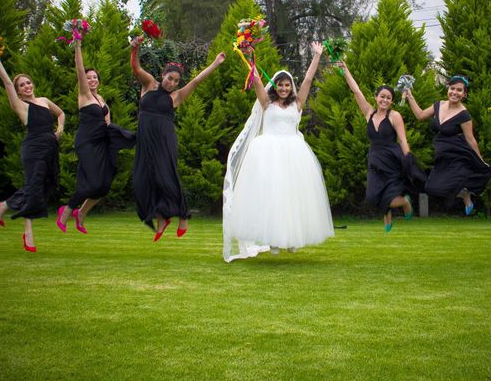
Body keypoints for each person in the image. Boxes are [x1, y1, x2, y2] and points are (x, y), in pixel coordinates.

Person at [223, 42, 334, 262]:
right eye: (280, 85)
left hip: (293, 153)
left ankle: (292, 238)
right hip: (268, 153)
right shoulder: (266, 103)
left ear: (291, 87)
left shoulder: (298, 104)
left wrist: (316, 57)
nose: (284, 89)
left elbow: (309, 80)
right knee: (271, 195)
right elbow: (255, 79)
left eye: (287, 85)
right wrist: (250, 55)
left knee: (292, 195)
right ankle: (272, 239)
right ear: (275, 87)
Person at [130, 36, 225, 241]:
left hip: (165, 141)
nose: (172, 83)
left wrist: (215, 63)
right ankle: (162, 218)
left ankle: (182, 216)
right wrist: (135, 48)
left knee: (166, 177)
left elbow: (197, 81)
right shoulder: (149, 85)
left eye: (175, 81)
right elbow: (136, 67)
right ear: (162, 75)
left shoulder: (176, 97)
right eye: (169, 78)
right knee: (141, 180)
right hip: (146, 140)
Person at [0, 47, 64, 252]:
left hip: (50, 148)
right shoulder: (21, 106)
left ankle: (3, 206)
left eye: (28, 82)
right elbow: (6, 81)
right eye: (22, 85)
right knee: (33, 187)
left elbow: (61, 113)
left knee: (46, 185)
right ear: (18, 91)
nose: (26, 86)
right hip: (33, 148)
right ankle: (28, 235)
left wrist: (60, 129)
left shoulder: (44, 101)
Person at [56, 40, 136, 234]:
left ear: (99, 81)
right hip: (86, 142)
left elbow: (107, 122)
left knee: (104, 185)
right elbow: (79, 70)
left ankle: (82, 213)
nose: (91, 80)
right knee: (92, 183)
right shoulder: (84, 95)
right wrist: (77, 46)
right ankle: (66, 211)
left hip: (101, 141)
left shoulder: (101, 99)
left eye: (94, 78)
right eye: (89, 77)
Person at [339, 62, 426, 232]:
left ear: (392, 101)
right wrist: (345, 70)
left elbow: (402, 140)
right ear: (376, 97)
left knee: (391, 195)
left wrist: (408, 158)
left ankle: (403, 202)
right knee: (372, 196)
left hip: (392, 160)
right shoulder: (368, 113)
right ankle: (389, 213)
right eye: (382, 96)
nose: (385, 100)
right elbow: (356, 92)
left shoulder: (395, 116)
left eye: (388, 98)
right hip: (375, 160)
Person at [403, 75, 491, 213]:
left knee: (452, 184)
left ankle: (465, 194)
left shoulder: (464, 115)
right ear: (448, 89)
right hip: (441, 155)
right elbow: (420, 115)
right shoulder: (438, 105)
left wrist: (480, 159)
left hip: (457, 155)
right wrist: (410, 96)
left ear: (464, 94)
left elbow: (470, 139)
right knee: (430, 188)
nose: (454, 92)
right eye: (452, 88)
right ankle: (463, 193)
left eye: (459, 90)